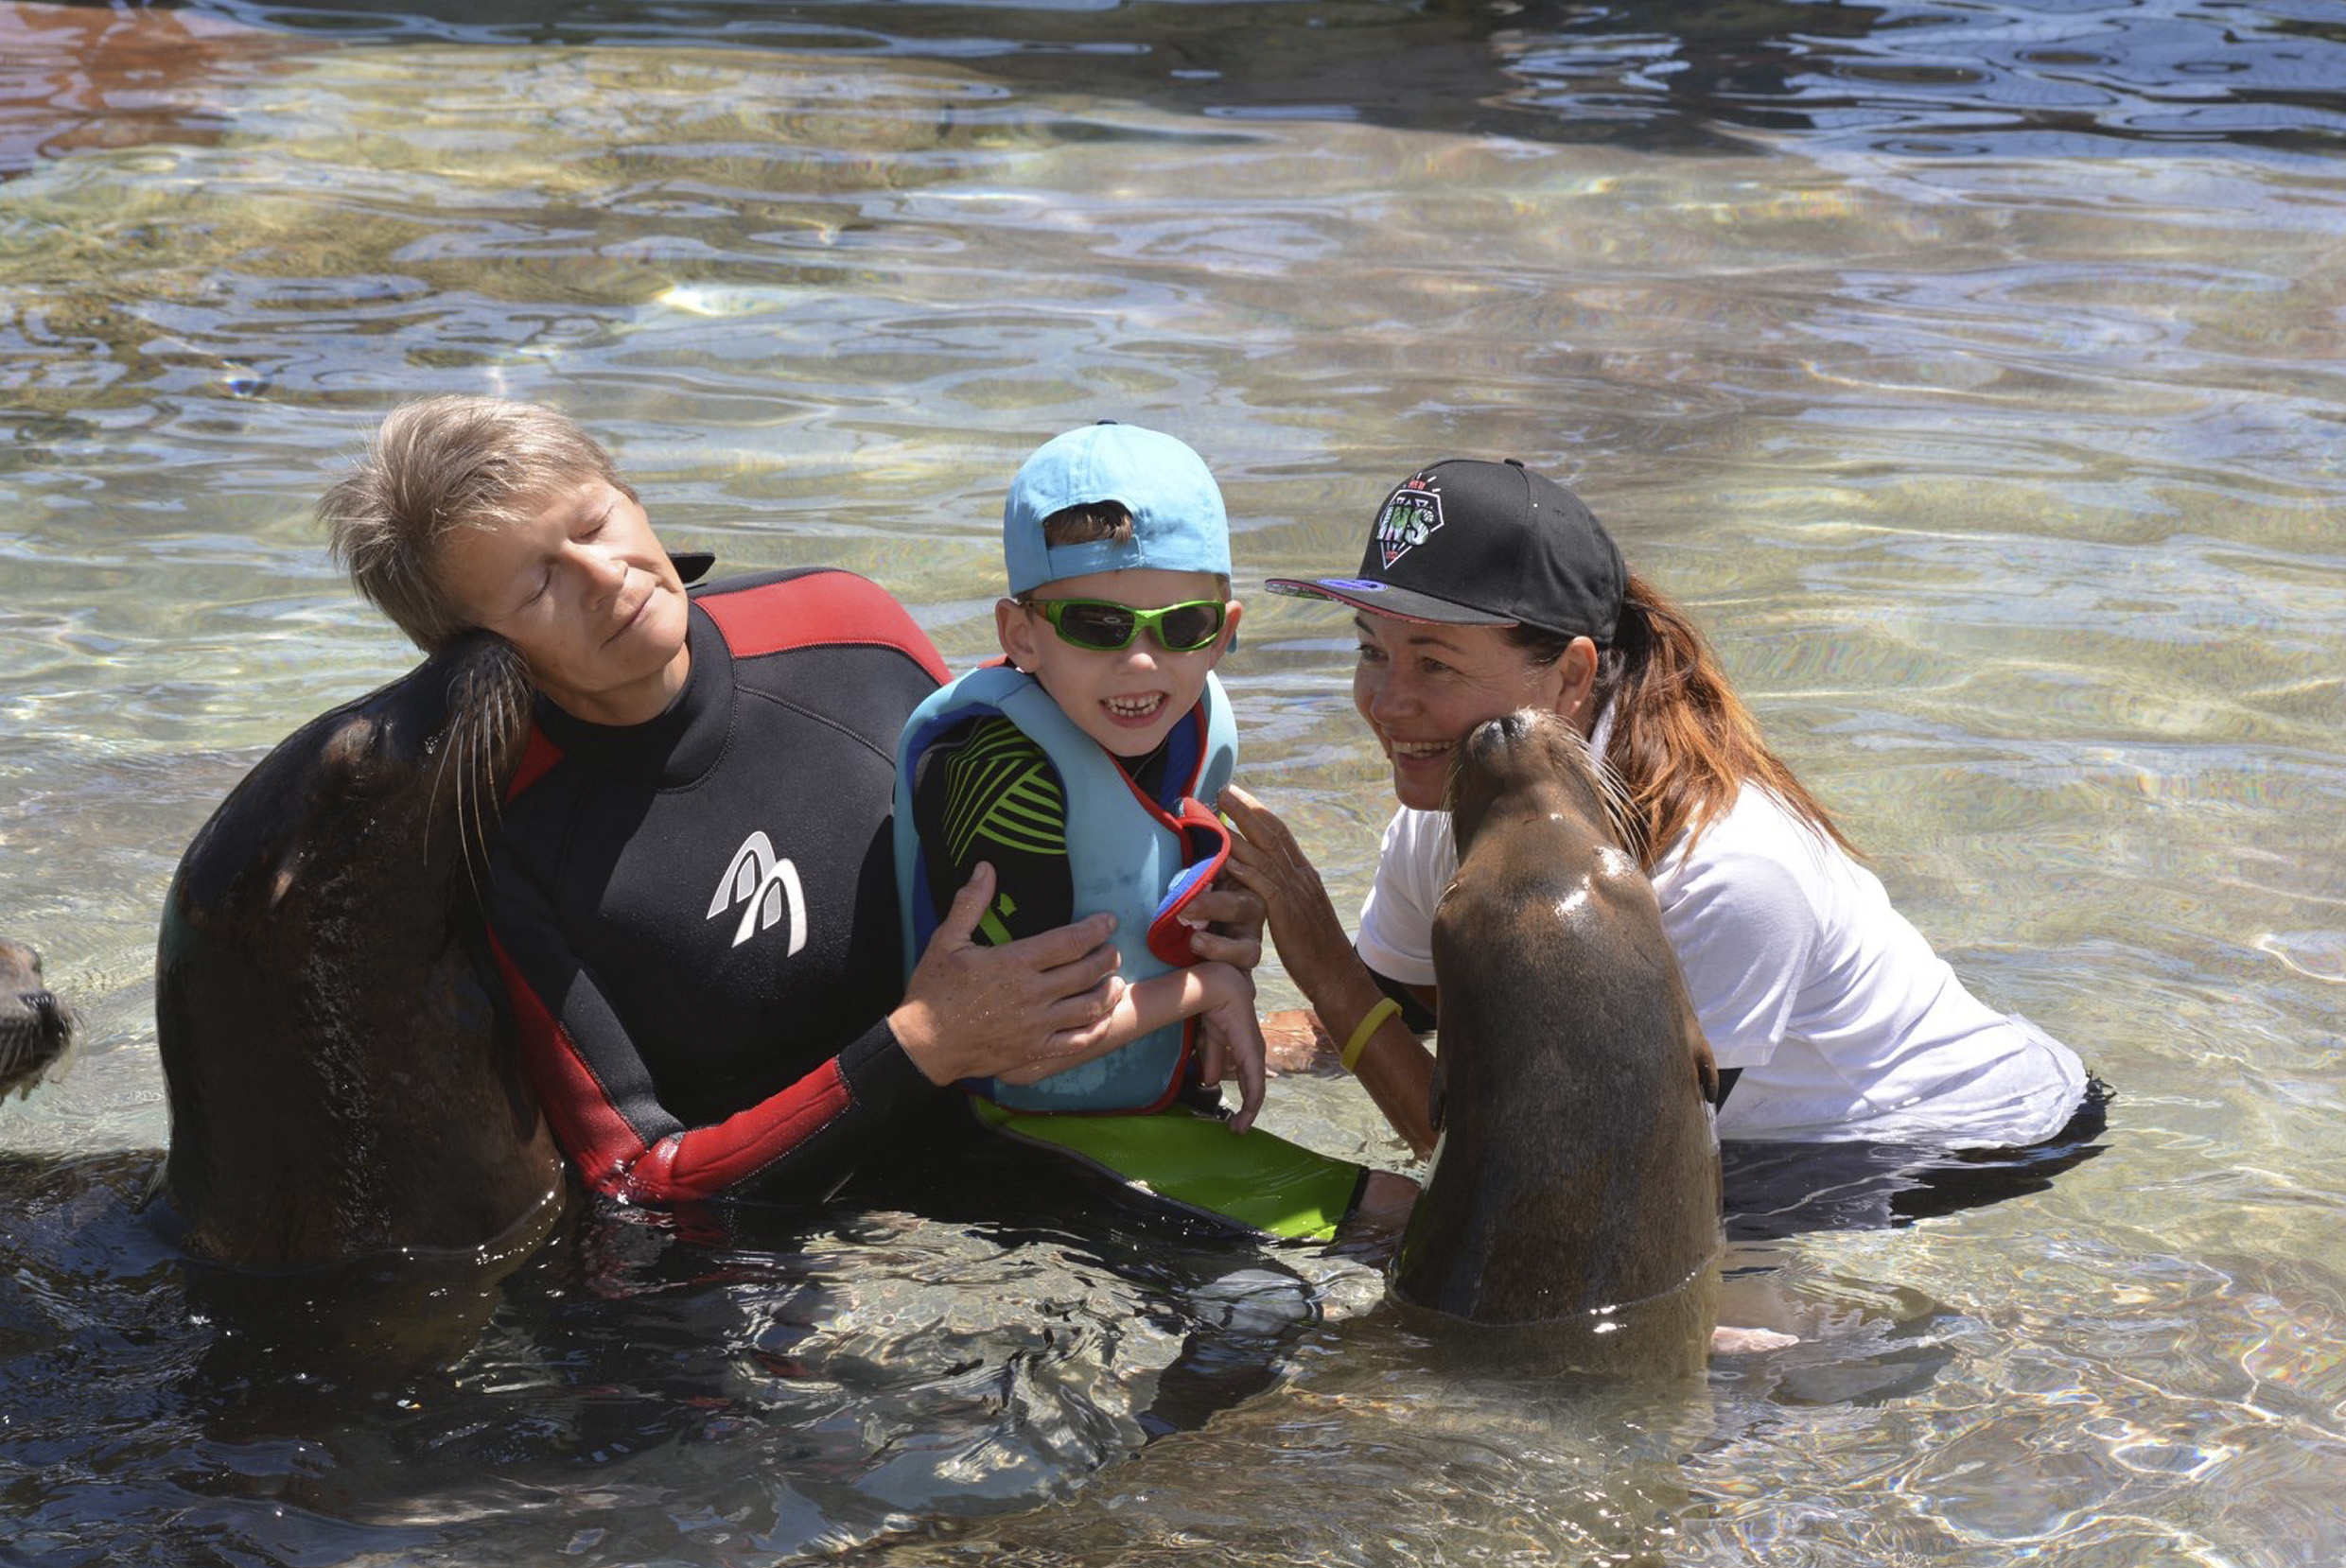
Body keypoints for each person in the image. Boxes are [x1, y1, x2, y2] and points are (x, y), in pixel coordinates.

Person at [319, 395, 1261, 1208]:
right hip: (770, 1243)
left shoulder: (845, 629)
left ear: (636, 501)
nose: (607, 578)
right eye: (539, 583)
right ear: (472, 658)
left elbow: (1056, 806)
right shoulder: (506, 840)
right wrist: (916, 1047)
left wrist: (1197, 914)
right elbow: (635, 1185)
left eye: (595, 524)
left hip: (1011, 1129)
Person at [1223, 456, 2095, 1163]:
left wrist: (1318, 951)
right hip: (1734, 1142)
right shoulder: (1446, 800)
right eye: (1370, 652)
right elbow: (1401, 1009)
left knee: (1733, 1359)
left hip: (1948, 1147)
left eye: (1435, 665)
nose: (1385, 703)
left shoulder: (1723, 870)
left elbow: (1539, 1180)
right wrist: (1202, 1038)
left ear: (1569, 675)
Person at [894, 421, 1413, 1240]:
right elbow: (1020, 1050)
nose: (1142, 663)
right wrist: (1215, 989)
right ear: (1020, 635)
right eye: (1097, 627)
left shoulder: (1194, 721)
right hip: (1025, 1134)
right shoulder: (1004, 775)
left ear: (1227, 628)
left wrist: (1224, 945)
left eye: (1183, 627)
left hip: (1142, 1104)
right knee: (1421, 1220)